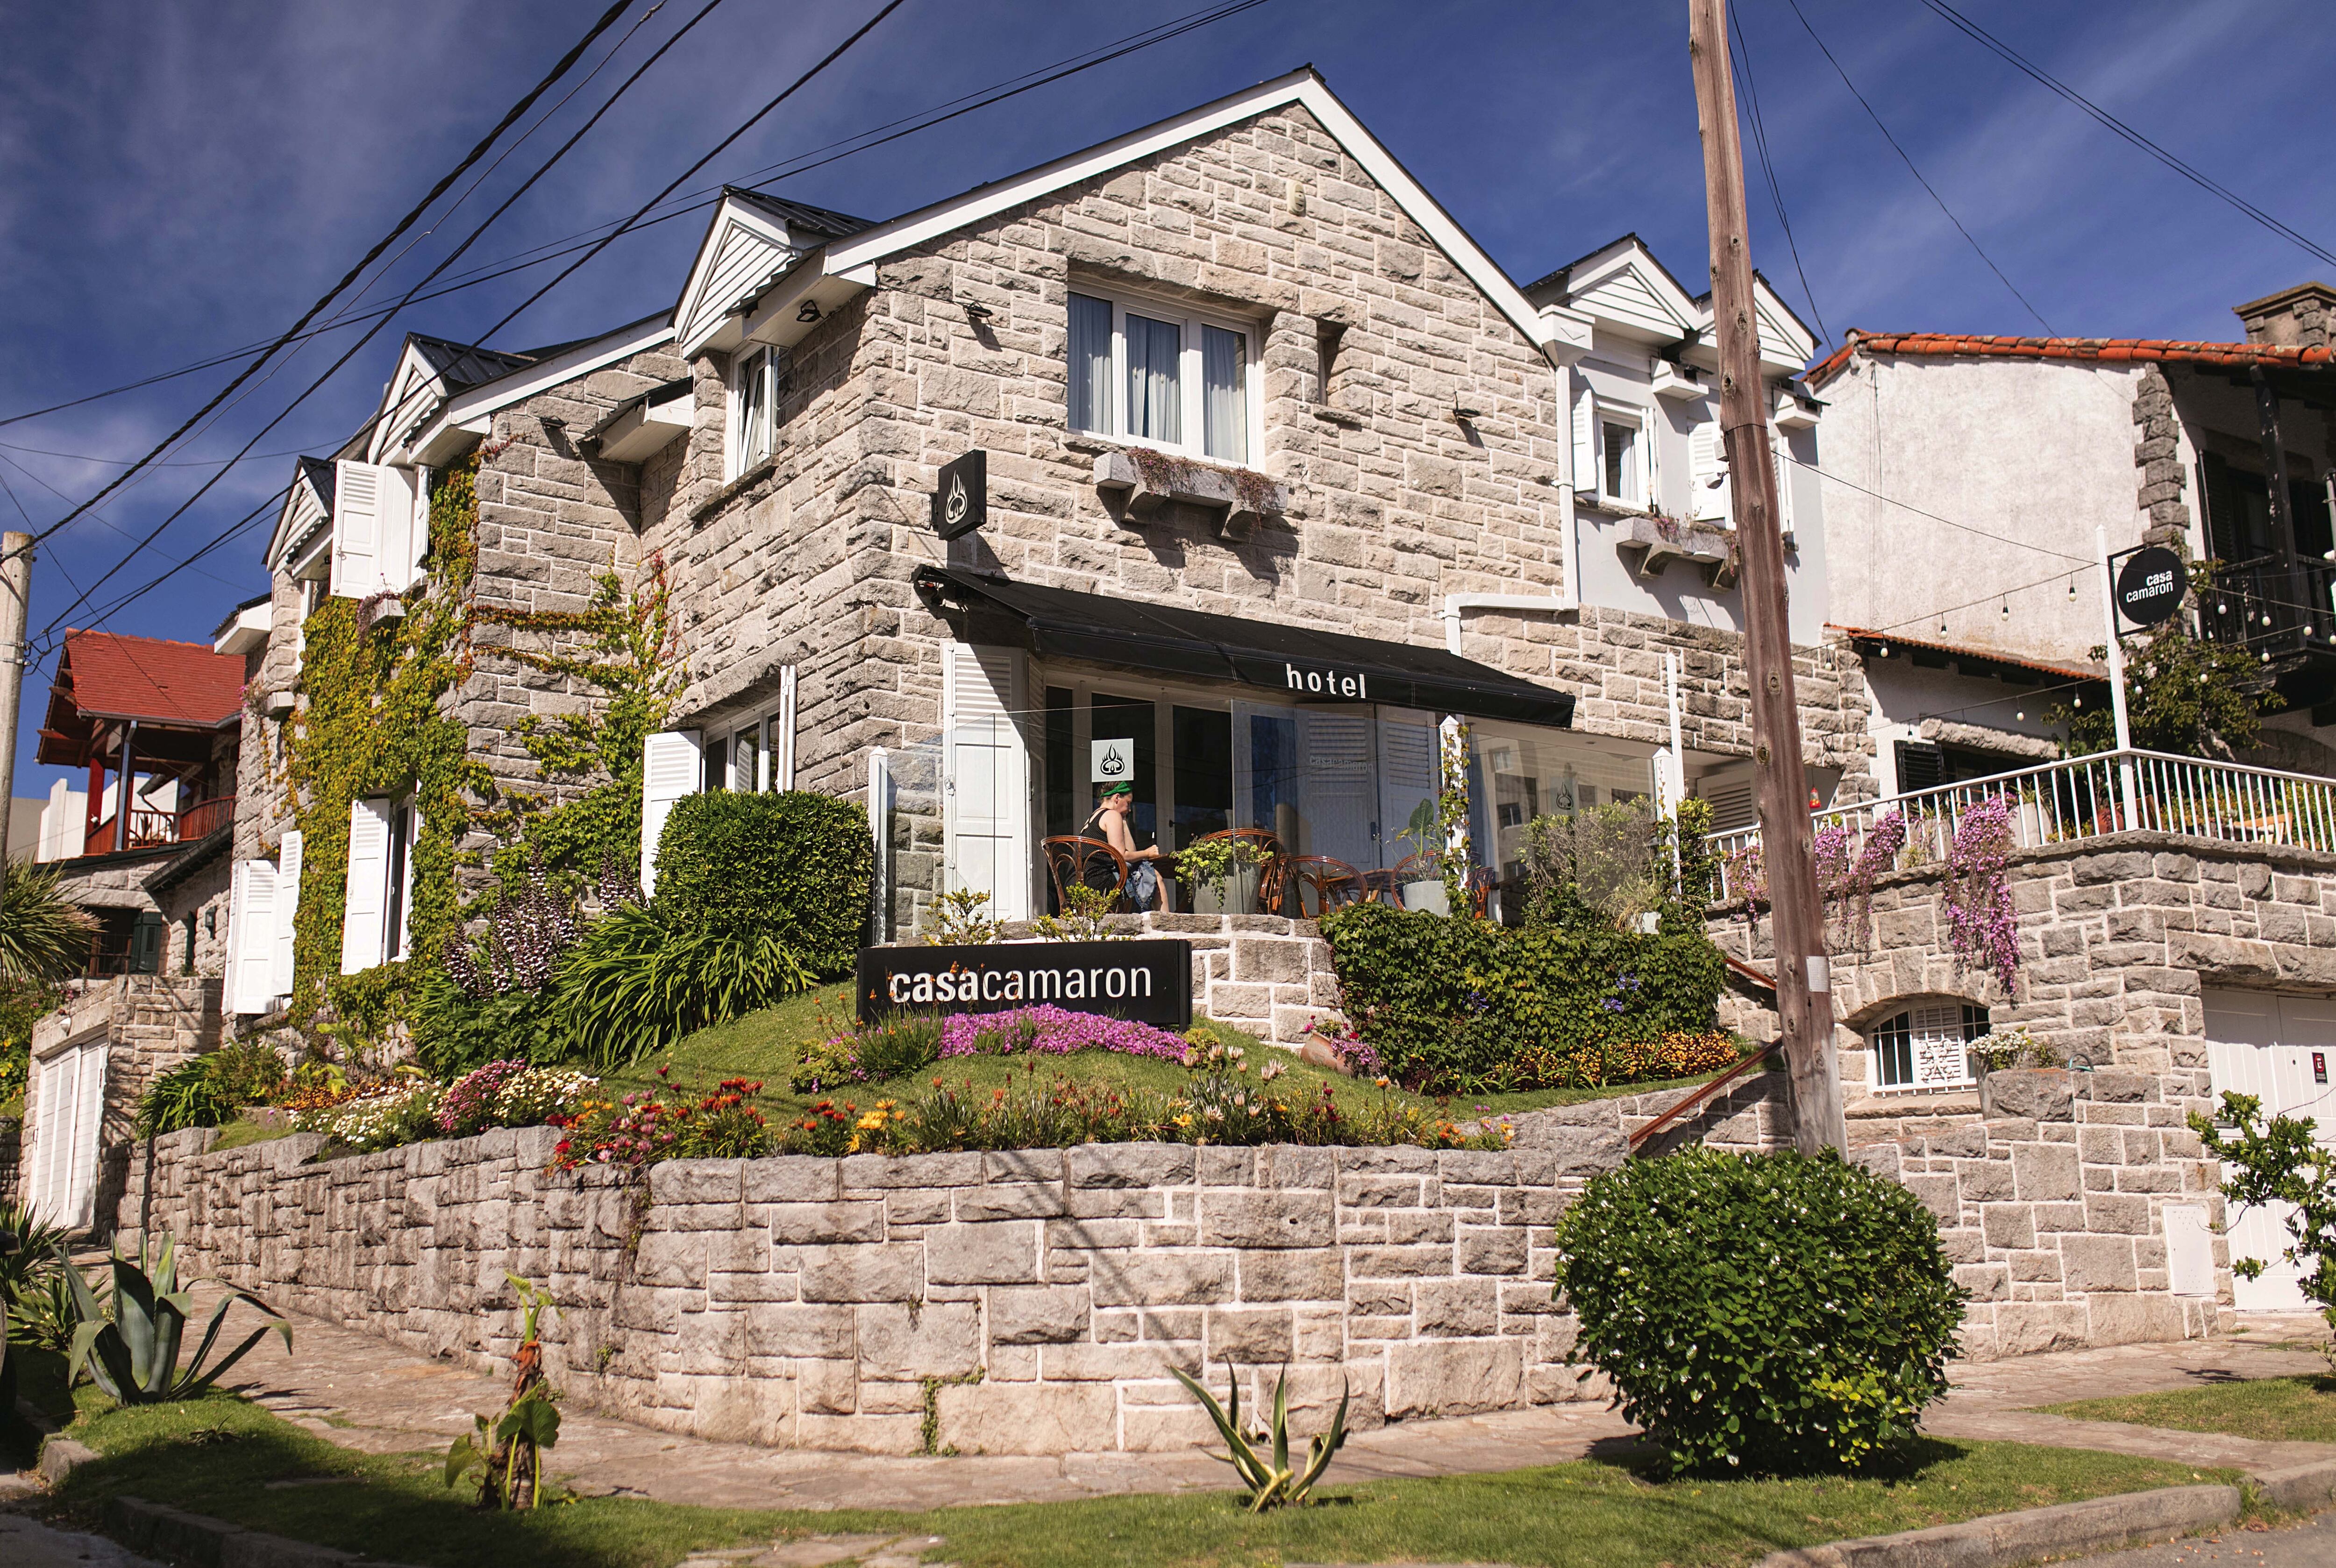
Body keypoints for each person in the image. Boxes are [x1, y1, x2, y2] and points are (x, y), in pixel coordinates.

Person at [1083, 781, 1170, 912]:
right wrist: (1147, 853)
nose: (1129, 809)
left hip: (1085, 880)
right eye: (1128, 803)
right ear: (1117, 798)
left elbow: (1131, 853)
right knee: (1155, 877)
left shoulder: (1094, 816)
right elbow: (1122, 856)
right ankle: (1165, 925)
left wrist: (1123, 822)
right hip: (1101, 882)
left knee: (1143, 873)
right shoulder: (1112, 815)